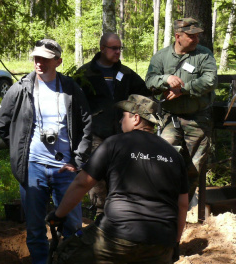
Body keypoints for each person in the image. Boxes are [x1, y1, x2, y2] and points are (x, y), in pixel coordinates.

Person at [46, 94, 189, 264]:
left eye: (123, 116)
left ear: (136, 119)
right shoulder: (174, 154)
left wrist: (59, 214)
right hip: (160, 243)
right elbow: (182, 204)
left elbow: (81, 183)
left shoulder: (114, 143)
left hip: (117, 235)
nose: (121, 121)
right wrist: (175, 244)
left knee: (65, 254)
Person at [0, 39, 92, 264]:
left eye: (45, 59)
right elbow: (1, 122)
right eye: (36, 58)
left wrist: (78, 159)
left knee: (73, 225)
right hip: (32, 168)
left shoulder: (70, 89)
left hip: (65, 169)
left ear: (58, 61)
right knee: (35, 227)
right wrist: (19, 150)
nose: (39, 63)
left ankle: (68, 261)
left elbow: (86, 124)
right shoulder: (21, 88)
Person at [74, 32, 150, 216]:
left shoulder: (126, 74)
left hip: (123, 137)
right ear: (102, 49)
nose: (117, 52)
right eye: (113, 48)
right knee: (97, 179)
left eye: (119, 48)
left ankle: (120, 216)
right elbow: (74, 105)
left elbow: (144, 96)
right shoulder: (85, 74)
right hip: (95, 135)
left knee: (121, 178)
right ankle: (99, 216)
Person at [145, 17, 218, 201]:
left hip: (198, 119)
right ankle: (162, 202)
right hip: (171, 119)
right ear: (178, 36)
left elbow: (210, 80)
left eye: (197, 36)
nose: (196, 40)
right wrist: (166, 79)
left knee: (193, 168)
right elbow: (149, 81)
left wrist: (183, 90)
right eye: (191, 36)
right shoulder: (161, 57)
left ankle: (181, 208)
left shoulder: (204, 55)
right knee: (162, 159)